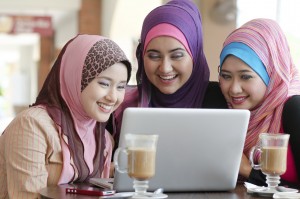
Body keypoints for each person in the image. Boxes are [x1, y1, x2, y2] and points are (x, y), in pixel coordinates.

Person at [0, 34, 132, 198]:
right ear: (76, 77)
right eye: (104, 83)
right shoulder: (32, 126)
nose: (113, 97)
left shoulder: (103, 139)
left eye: (121, 87)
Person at [109, 0, 227, 145]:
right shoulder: (120, 105)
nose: (165, 68)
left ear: (195, 54)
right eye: (153, 56)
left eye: (176, 56)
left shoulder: (222, 101)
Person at [218, 18, 300, 188]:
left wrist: (247, 170)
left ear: (272, 73)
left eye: (246, 76)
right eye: (226, 76)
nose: (234, 89)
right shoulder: (222, 110)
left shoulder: (294, 109)